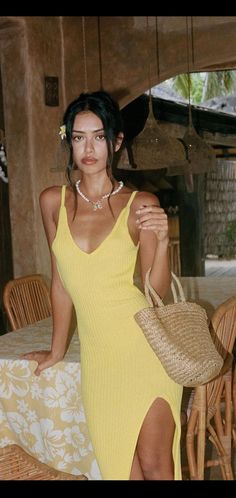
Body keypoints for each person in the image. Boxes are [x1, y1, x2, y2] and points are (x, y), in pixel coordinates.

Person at [22, 90, 183, 480]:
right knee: (118, 470)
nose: (89, 148)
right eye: (79, 137)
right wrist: (57, 350)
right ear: (69, 142)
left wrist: (161, 244)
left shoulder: (139, 202)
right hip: (99, 361)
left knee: (156, 465)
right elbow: (61, 282)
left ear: (116, 142)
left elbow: (155, 293)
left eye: (98, 136)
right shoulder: (52, 202)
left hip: (145, 352)